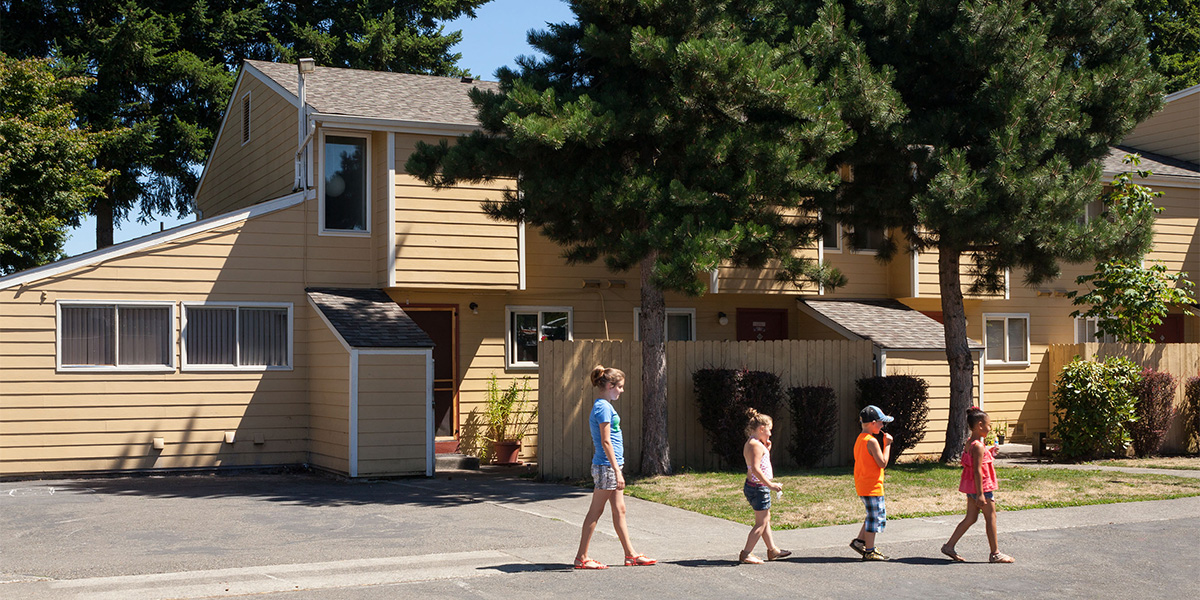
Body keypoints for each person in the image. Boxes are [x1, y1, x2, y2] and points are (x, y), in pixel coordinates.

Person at [574, 365, 657, 569]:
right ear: (610, 385)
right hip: (606, 467)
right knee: (596, 511)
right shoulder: (602, 407)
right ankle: (581, 558)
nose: (621, 390)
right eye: (619, 386)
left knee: (620, 510)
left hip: (611, 465)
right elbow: (606, 441)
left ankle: (631, 555)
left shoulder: (606, 406)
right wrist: (617, 471)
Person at [941, 406, 1015, 563]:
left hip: (971, 488)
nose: (990, 428)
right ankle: (995, 553)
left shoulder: (970, 443)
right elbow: (977, 471)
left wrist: (989, 450)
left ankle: (949, 546)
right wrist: (981, 494)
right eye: (988, 425)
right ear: (980, 425)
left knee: (971, 517)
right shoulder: (979, 446)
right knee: (991, 517)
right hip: (982, 488)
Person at [738, 408, 791, 564]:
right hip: (758, 487)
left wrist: (766, 449)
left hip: (755, 486)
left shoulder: (753, 443)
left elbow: (759, 462)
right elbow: (755, 468)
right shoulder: (755, 445)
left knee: (765, 519)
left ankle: (772, 550)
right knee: (761, 522)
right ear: (761, 429)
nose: (770, 434)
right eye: (769, 430)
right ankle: (746, 553)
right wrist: (771, 485)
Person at [850, 405, 893, 561]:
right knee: (875, 518)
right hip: (872, 486)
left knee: (871, 515)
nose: (882, 426)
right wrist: (887, 444)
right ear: (873, 423)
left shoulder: (860, 438)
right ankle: (869, 550)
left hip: (863, 484)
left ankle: (860, 541)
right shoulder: (872, 441)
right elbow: (882, 463)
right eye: (881, 423)